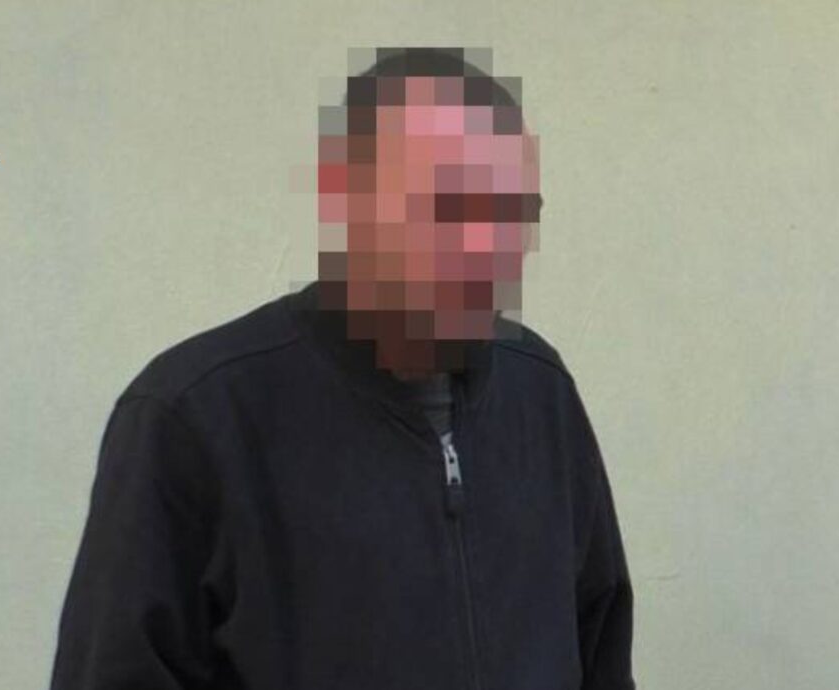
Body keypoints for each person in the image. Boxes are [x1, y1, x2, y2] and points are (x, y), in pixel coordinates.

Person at [50, 46, 635, 690]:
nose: (486, 247)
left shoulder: (541, 395)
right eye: (449, 207)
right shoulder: (196, 418)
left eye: (512, 213)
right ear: (349, 201)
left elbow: (600, 654)